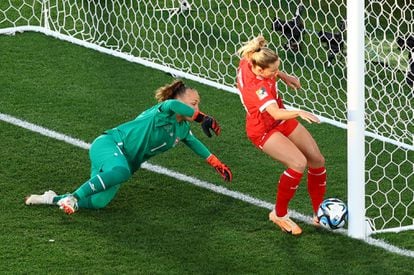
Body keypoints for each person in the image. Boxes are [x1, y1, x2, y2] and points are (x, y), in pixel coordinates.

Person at [25, 80, 232, 214]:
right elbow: (172, 106)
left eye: (198, 105)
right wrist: (201, 117)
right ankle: (74, 197)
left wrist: (216, 163)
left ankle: (51, 198)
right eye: (193, 103)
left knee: (99, 202)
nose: (197, 108)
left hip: (121, 163)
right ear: (179, 99)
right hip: (108, 145)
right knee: (120, 171)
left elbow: (195, 143)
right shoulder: (162, 111)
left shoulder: (181, 128)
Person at [236, 36, 326, 235]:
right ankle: (279, 214)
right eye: (273, 71)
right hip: (263, 129)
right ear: (260, 71)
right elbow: (275, 112)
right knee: (298, 163)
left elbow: (265, 66)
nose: (275, 73)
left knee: (317, 159)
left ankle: (320, 212)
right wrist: (300, 112)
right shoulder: (256, 88)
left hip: (280, 120)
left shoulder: (251, 59)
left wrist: (284, 77)